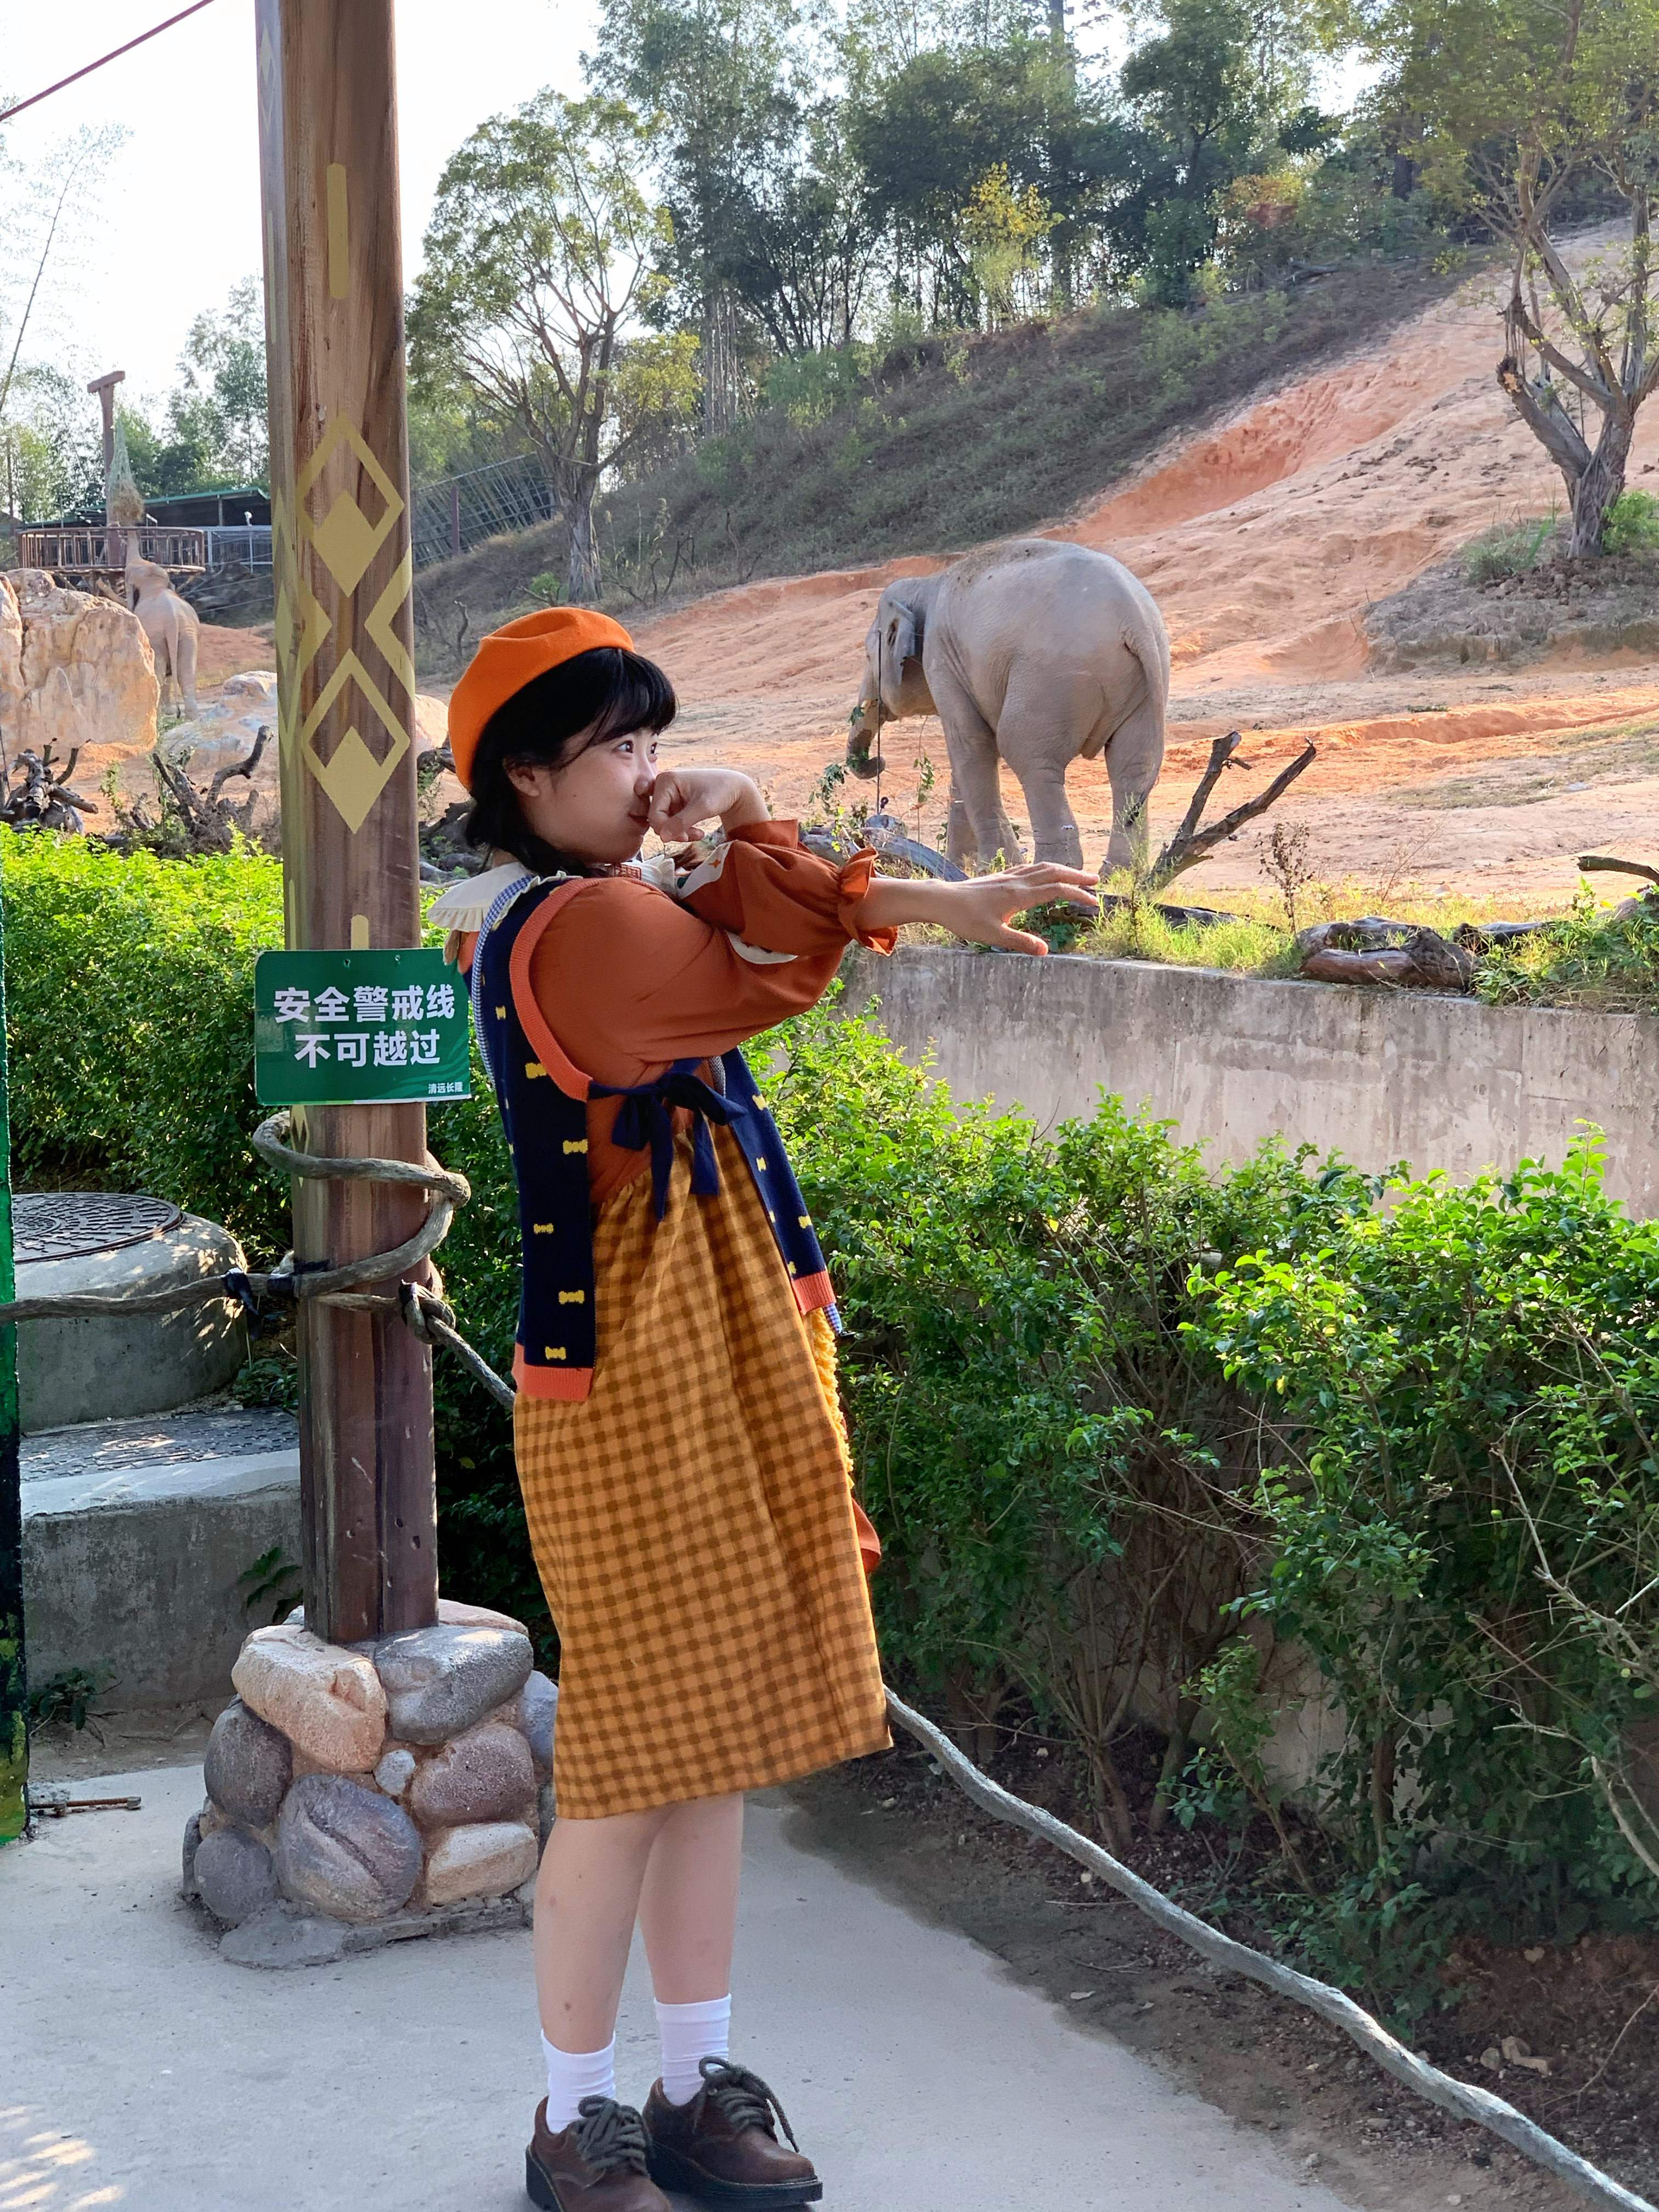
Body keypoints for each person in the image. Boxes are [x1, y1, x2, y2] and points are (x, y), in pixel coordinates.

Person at [432, 608, 1097, 2212]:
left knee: (704, 1746)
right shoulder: (583, 933)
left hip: (697, 1356)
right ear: (531, 772)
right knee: (622, 1763)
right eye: (622, 746)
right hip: (633, 1386)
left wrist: (935, 893)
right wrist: (745, 817)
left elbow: (760, 939)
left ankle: (687, 2088)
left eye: (656, 739)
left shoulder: (588, 902)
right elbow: (770, 967)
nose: (649, 770)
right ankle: (572, 2117)